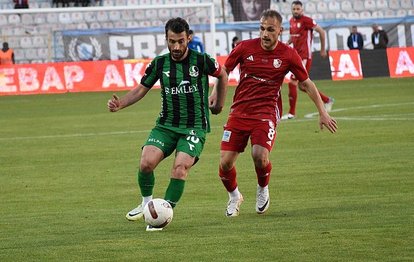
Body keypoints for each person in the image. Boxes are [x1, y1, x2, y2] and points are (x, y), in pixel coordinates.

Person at [107, 17, 228, 231]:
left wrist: (218, 103)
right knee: (145, 163)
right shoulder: (160, 63)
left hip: (194, 126)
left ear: (188, 38)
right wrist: (121, 104)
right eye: (172, 41)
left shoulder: (201, 60)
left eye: (181, 41)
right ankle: (146, 205)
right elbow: (140, 89)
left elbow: (223, 74)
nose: (176, 46)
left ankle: (162, 214)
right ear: (166, 39)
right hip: (166, 125)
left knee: (180, 168)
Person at [217, 9, 338, 217]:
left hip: (266, 111)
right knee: (225, 163)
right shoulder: (244, 48)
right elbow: (224, 71)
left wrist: (322, 112)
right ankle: (235, 196)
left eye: (270, 30)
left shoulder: (288, 54)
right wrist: (215, 93)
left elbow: (306, 83)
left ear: (280, 31)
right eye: (262, 29)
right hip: (239, 111)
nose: (265, 34)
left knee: (259, 155)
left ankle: (262, 188)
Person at [282, 0, 334, 120]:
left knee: (292, 83)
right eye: (294, 9)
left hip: (304, 57)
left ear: (302, 10)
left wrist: (322, 49)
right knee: (302, 86)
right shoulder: (291, 21)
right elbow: (293, 37)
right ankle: (327, 100)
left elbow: (321, 31)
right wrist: (287, 43)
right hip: (296, 56)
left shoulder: (307, 21)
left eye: (298, 9)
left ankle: (291, 113)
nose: (296, 11)